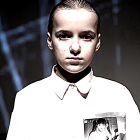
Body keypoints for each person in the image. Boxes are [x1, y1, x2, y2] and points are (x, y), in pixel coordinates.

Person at [6, 0, 140, 140]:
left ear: (98, 42)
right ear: (49, 40)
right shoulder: (27, 99)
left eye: (86, 37)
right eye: (64, 36)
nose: (75, 48)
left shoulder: (118, 96)